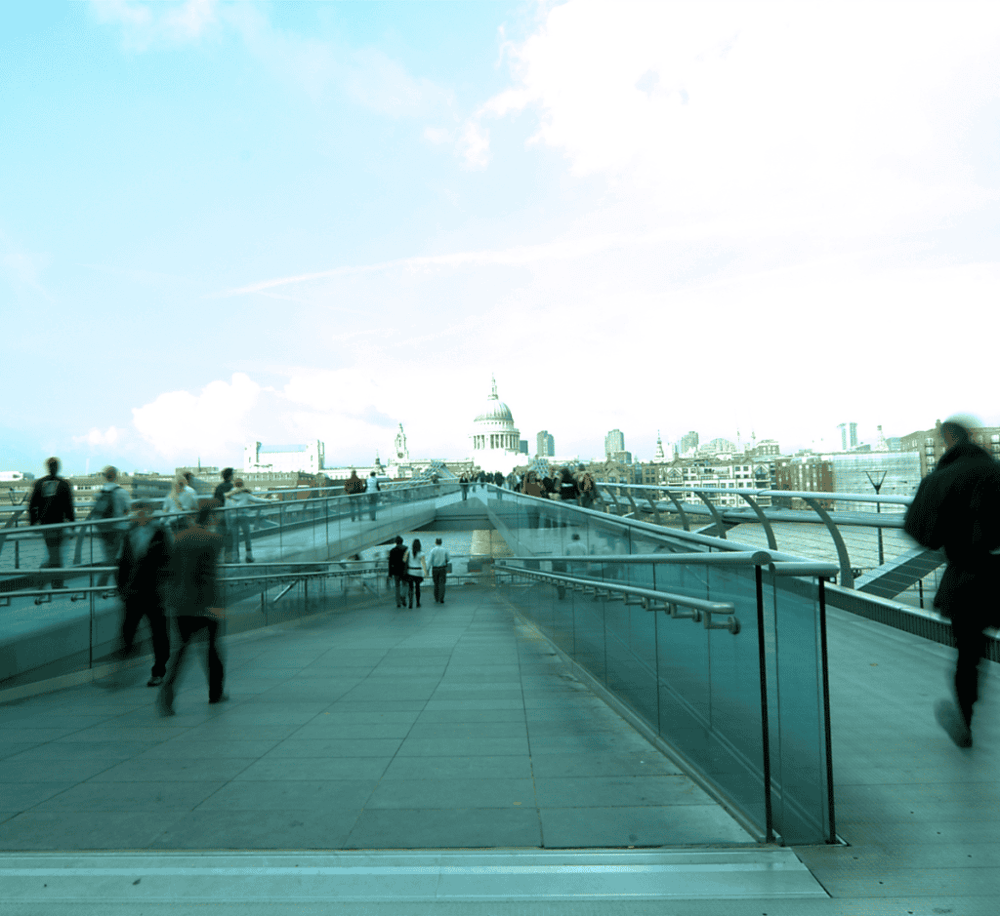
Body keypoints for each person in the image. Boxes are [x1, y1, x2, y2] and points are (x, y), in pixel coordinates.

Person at [904, 416, 1000, 749]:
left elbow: (919, 530)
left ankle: (965, 719)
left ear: (947, 439)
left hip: (969, 578)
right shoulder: (996, 471)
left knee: (969, 653)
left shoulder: (941, 479)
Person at [158, 502, 227, 715]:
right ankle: (215, 693)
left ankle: (167, 693)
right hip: (205, 604)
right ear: (212, 517)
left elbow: (172, 571)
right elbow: (208, 575)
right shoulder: (213, 540)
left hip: (180, 605)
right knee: (212, 650)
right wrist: (215, 604)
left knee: (180, 651)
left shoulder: (179, 538)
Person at [113, 500, 171, 687]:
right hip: (134, 591)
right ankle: (125, 661)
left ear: (150, 513)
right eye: (136, 512)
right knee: (127, 629)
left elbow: (169, 560)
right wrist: (121, 588)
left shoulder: (161, 533)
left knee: (158, 632)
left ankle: (158, 671)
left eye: (143, 512)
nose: (139, 516)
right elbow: (122, 563)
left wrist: (165, 585)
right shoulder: (128, 533)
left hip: (154, 591)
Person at [28, 457, 75, 589]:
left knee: (54, 553)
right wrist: (72, 525)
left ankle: (49, 581)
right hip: (59, 523)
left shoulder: (39, 483)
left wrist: (33, 523)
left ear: (47, 467)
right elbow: (69, 507)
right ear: (58, 467)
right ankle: (48, 581)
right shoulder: (64, 484)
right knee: (56, 554)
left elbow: (32, 505)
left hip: (45, 524)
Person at [93, 466, 131, 587]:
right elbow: (127, 509)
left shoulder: (99, 494)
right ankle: (105, 582)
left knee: (109, 555)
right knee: (114, 557)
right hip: (118, 528)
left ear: (105, 476)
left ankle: (115, 584)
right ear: (116, 476)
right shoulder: (122, 492)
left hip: (103, 528)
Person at [226, 478, 268, 562]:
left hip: (233, 516)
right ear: (242, 485)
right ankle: (249, 556)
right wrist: (269, 501)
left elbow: (226, 507)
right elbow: (257, 500)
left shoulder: (229, 495)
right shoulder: (245, 494)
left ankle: (235, 558)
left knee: (235, 539)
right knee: (247, 537)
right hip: (243, 516)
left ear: (234, 484)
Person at [213, 468, 235, 562]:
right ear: (230, 476)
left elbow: (214, 500)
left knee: (219, 537)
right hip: (229, 514)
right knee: (229, 537)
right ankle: (228, 559)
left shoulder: (219, 487)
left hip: (219, 513)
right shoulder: (233, 487)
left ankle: (218, 558)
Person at [403, 538, 427, 608]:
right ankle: (418, 602)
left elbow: (404, 560)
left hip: (410, 571)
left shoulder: (408, 552)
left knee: (410, 588)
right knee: (417, 587)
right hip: (418, 572)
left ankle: (410, 603)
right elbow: (423, 564)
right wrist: (425, 572)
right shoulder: (422, 553)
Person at [428, 537, 451, 604]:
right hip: (442, 568)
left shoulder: (433, 550)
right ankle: (441, 598)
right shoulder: (445, 550)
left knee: (436, 583)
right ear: (441, 542)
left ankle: (436, 598)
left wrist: (427, 569)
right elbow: (448, 559)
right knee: (442, 583)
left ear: (435, 543)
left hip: (435, 568)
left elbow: (429, 561)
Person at [387, 535, 408, 608]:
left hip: (395, 571)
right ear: (402, 541)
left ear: (396, 542)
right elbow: (407, 561)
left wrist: (390, 574)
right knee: (405, 585)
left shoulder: (392, 551)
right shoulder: (406, 549)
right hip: (404, 570)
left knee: (397, 586)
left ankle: (398, 602)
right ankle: (403, 596)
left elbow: (390, 563)